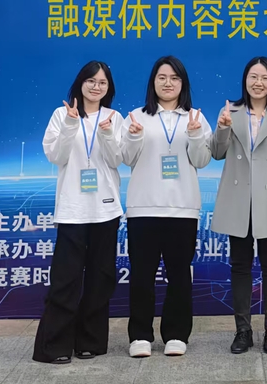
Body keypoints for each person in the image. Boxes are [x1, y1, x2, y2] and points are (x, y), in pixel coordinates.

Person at [120, 56, 212, 358]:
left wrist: (195, 135)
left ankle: (176, 334)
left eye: (174, 78)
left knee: (180, 275)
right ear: (153, 82)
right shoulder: (136, 116)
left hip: (182, 208)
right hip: (143, 208)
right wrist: (133, 137)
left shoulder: (195, 117)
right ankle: (140, 336)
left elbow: (202, 160)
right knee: (142, 275)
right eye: (162, 77)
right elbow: (127, 158)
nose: (168, 83)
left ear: (183, 83)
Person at [33, 61, 123, 364]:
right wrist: (71, 125)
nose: (96, 87)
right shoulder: (61, 115)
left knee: (100, 279)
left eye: (102, 83)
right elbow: (55, 156)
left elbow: (117, 159)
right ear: (80, 83)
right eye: (91, 81)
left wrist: (107, 133)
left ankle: (90, 342)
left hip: (105, 210)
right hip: (72, 210)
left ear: (108, 88)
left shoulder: (114, 117)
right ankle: (54, 346)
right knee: (65, 279)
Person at [209, 57, 267, 354]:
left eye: (264, 78)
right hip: (239, 199)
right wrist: (222, 128)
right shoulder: (230, 112)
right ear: (245, 80)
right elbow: (217, 152)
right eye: (253, 77)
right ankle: (243, 331)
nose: (258, 83)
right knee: (240, 266)